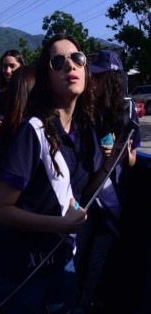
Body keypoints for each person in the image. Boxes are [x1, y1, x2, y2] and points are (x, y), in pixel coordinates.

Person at [0, 34, 122, 313]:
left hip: (64, 260)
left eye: (77, 59)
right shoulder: (33, 132)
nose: (70, 66)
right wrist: (58, 225)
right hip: (25, 269)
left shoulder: (84, 131)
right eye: (58, 62)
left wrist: (114, 158)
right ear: (47, 78)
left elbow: (86, 191)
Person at [74, 50, 141, 313]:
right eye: (94, 76)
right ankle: (71, 297)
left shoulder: (127, 108)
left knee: (97, 260)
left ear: (113, 78)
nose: (95, 81)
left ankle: (83, 303)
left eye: (100, 76)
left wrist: (119, 153)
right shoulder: (85, 105)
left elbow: (133, 158)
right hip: (87, 192)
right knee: (75, 253)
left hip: (111, 197)